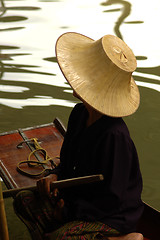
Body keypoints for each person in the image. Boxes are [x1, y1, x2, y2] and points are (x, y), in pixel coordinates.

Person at [13, 32, 144, 240]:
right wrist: (53, 176)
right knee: (23, 199)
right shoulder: (79, 113)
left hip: (110, 216)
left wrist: (70, 211)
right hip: (78, 200)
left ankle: (123, 238)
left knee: (58, 238)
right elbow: (67, 163)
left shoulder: (115, 136)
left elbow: (112, 199)